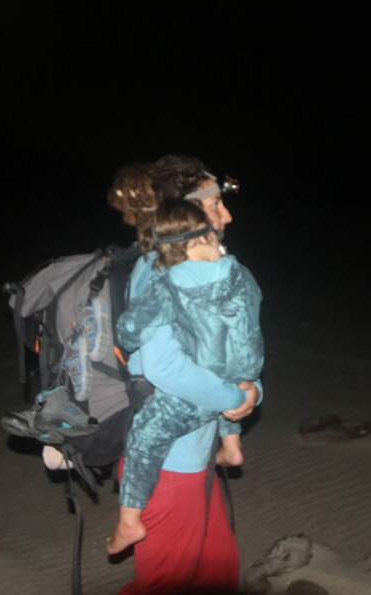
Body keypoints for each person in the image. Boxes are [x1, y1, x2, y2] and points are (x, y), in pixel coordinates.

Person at [106, 155, 261, 594]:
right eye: (214, 203)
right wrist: (235, 398)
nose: (226, 214)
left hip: (195, 457)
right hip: (169, 466)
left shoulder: (210, 268)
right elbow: (162, 366)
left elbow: (231, 351)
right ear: (182, 213)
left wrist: (252, 387)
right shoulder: (158, 271)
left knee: (216, 573)